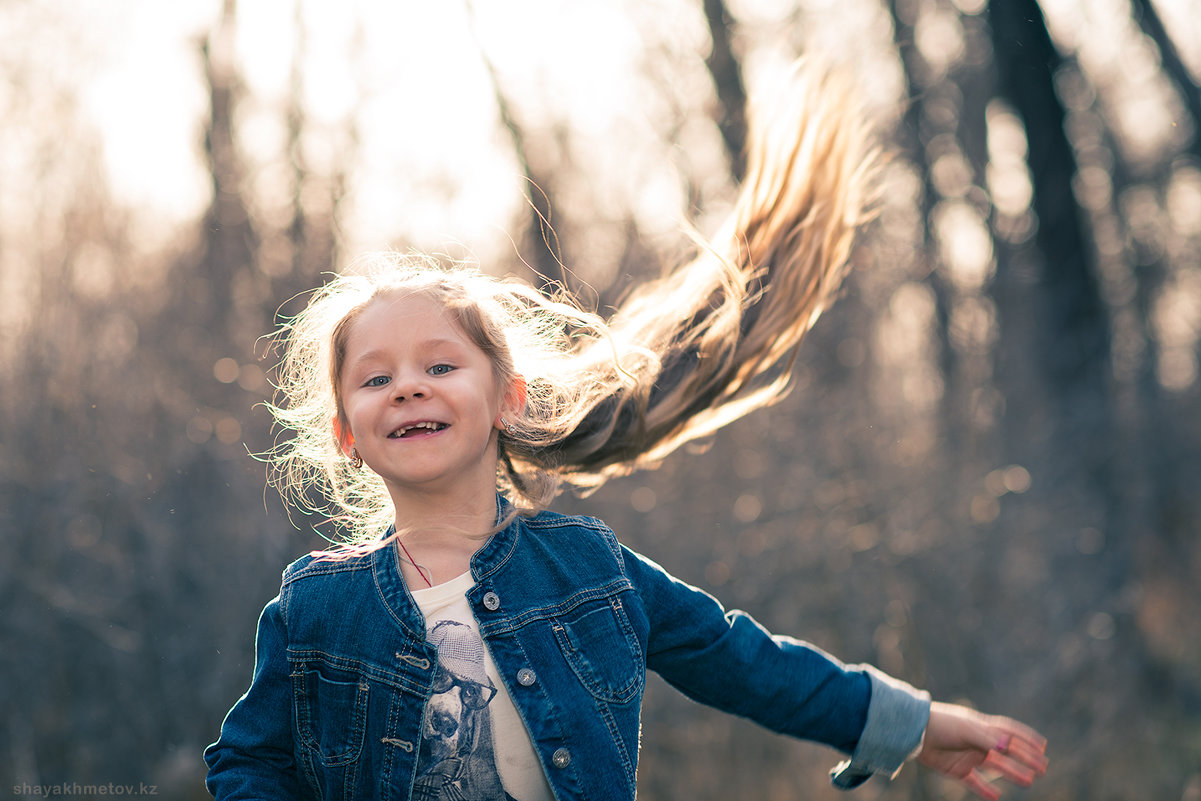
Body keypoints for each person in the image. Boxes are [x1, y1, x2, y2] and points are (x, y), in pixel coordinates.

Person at [204, 66, 1048, 801]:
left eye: (440, 365)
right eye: (376, 378)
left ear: (506, 400)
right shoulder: (316, 606)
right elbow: (249, 760)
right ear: (346, 433)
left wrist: (912, 723)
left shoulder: (589, 570)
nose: (409, 386)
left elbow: (747, 664)